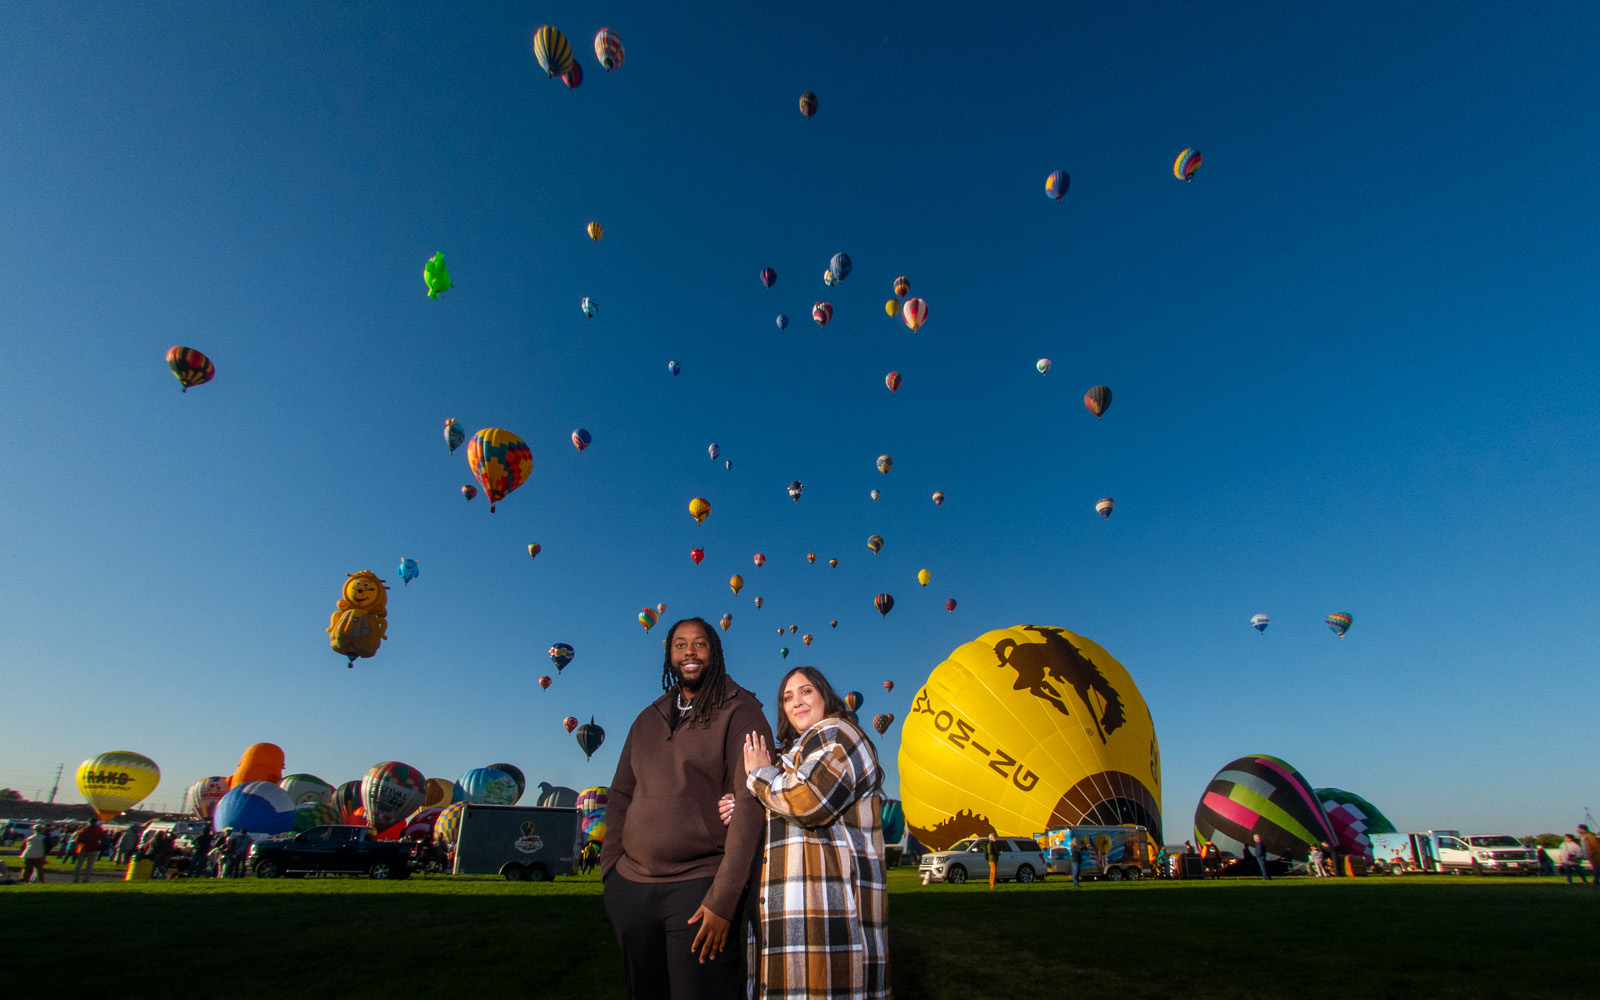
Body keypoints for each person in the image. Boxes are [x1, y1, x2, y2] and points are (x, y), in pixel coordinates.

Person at [601, 616, 774, 1000]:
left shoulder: (741, 711)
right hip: (631, 888)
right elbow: (620, 795)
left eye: (700, 644)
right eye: (680, 645)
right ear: (669, 655)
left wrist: (724, 899)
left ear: (715, 652)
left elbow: (749, 803)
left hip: (699, 889)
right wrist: (611, 873)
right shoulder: (649, 717)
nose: (689, 652)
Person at [742, 664, 891, 999]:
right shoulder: (791, 757)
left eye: (806, 691)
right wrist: (744, 804)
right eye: (787, 697)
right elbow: (778, 803)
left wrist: (756, 777)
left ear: (825, 695)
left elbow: (807, 799)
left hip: (830, 912)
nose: (797, 702)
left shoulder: (840, 735)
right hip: (787, 914)